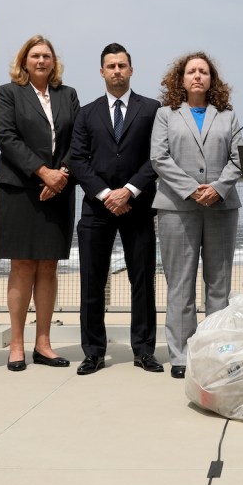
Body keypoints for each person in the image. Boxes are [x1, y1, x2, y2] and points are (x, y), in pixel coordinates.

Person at [69, 43, 162, 375]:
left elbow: (157, 157)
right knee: (92, 282)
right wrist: (108, 194)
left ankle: (144, 350)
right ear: (102, 72)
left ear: (132, 70)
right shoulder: (86, 113)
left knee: (143, 281)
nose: (117, 71)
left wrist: (129, 191)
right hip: (97, 209)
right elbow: (77, 160)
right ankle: (93, 352)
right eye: (111, 66)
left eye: (122, 65)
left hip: (138, 207)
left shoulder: (152, 109)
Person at [151, 52, 243, 379]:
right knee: (180, 285)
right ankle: (180, 354)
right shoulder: (166, 115)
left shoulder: (228, 117)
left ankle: (216, 351)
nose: (198, 76)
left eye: (203, 71)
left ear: (211, 79)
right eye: (191, 71)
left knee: (218, 285)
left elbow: (238, 159)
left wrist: (217, 187)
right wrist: (192, 189)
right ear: (181, 79)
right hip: (177, 208)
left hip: (221, 207)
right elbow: (159, 158)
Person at [0, 35, 79, 372]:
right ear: (24, 61)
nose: (41, 61)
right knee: (23, 265)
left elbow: (78, 138)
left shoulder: (67, 95)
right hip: (22, 189)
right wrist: (43, 172)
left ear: (54, 62)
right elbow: (6, 136)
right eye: (35, 56)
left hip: (59, 187)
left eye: (47, 56)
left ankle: (43, 343)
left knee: (48, 265)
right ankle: (17, 343)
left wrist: (60, 176)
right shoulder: (9, 93)